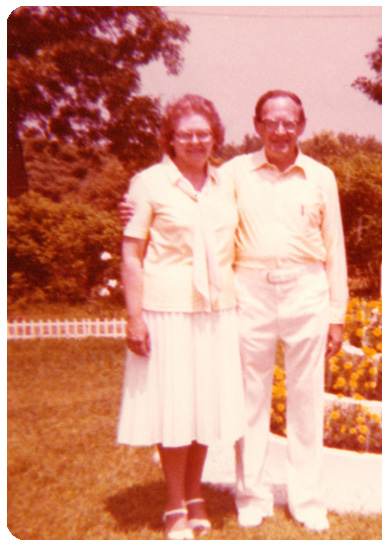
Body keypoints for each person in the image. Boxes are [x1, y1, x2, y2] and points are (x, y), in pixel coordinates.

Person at [117, 94, 245, 540]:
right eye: (186, 133)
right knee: (174, 408)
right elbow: (131, 255)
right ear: (170, 138)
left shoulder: (226, 182)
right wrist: (135, 318)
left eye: (203, 134)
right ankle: (174, 503)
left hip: (217, 310)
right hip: (167, 310)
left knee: (204, 406)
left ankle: (196, 496)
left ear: (215, 138)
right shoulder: (148, 184)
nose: (195, 141)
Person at [221, 90, 348, 532]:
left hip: (306, 289)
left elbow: (335, 246)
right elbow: (197, 209)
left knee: (307, 398)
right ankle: (251, 495)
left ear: (301, 125)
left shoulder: (320, 176)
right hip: (249, 290)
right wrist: (139, 206)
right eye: (271, 122)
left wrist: (337, 313)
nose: (280, 130)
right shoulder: (233, 173)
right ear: (257, 125)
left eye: (288, 122)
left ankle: (307, 499)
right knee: (250, 399)